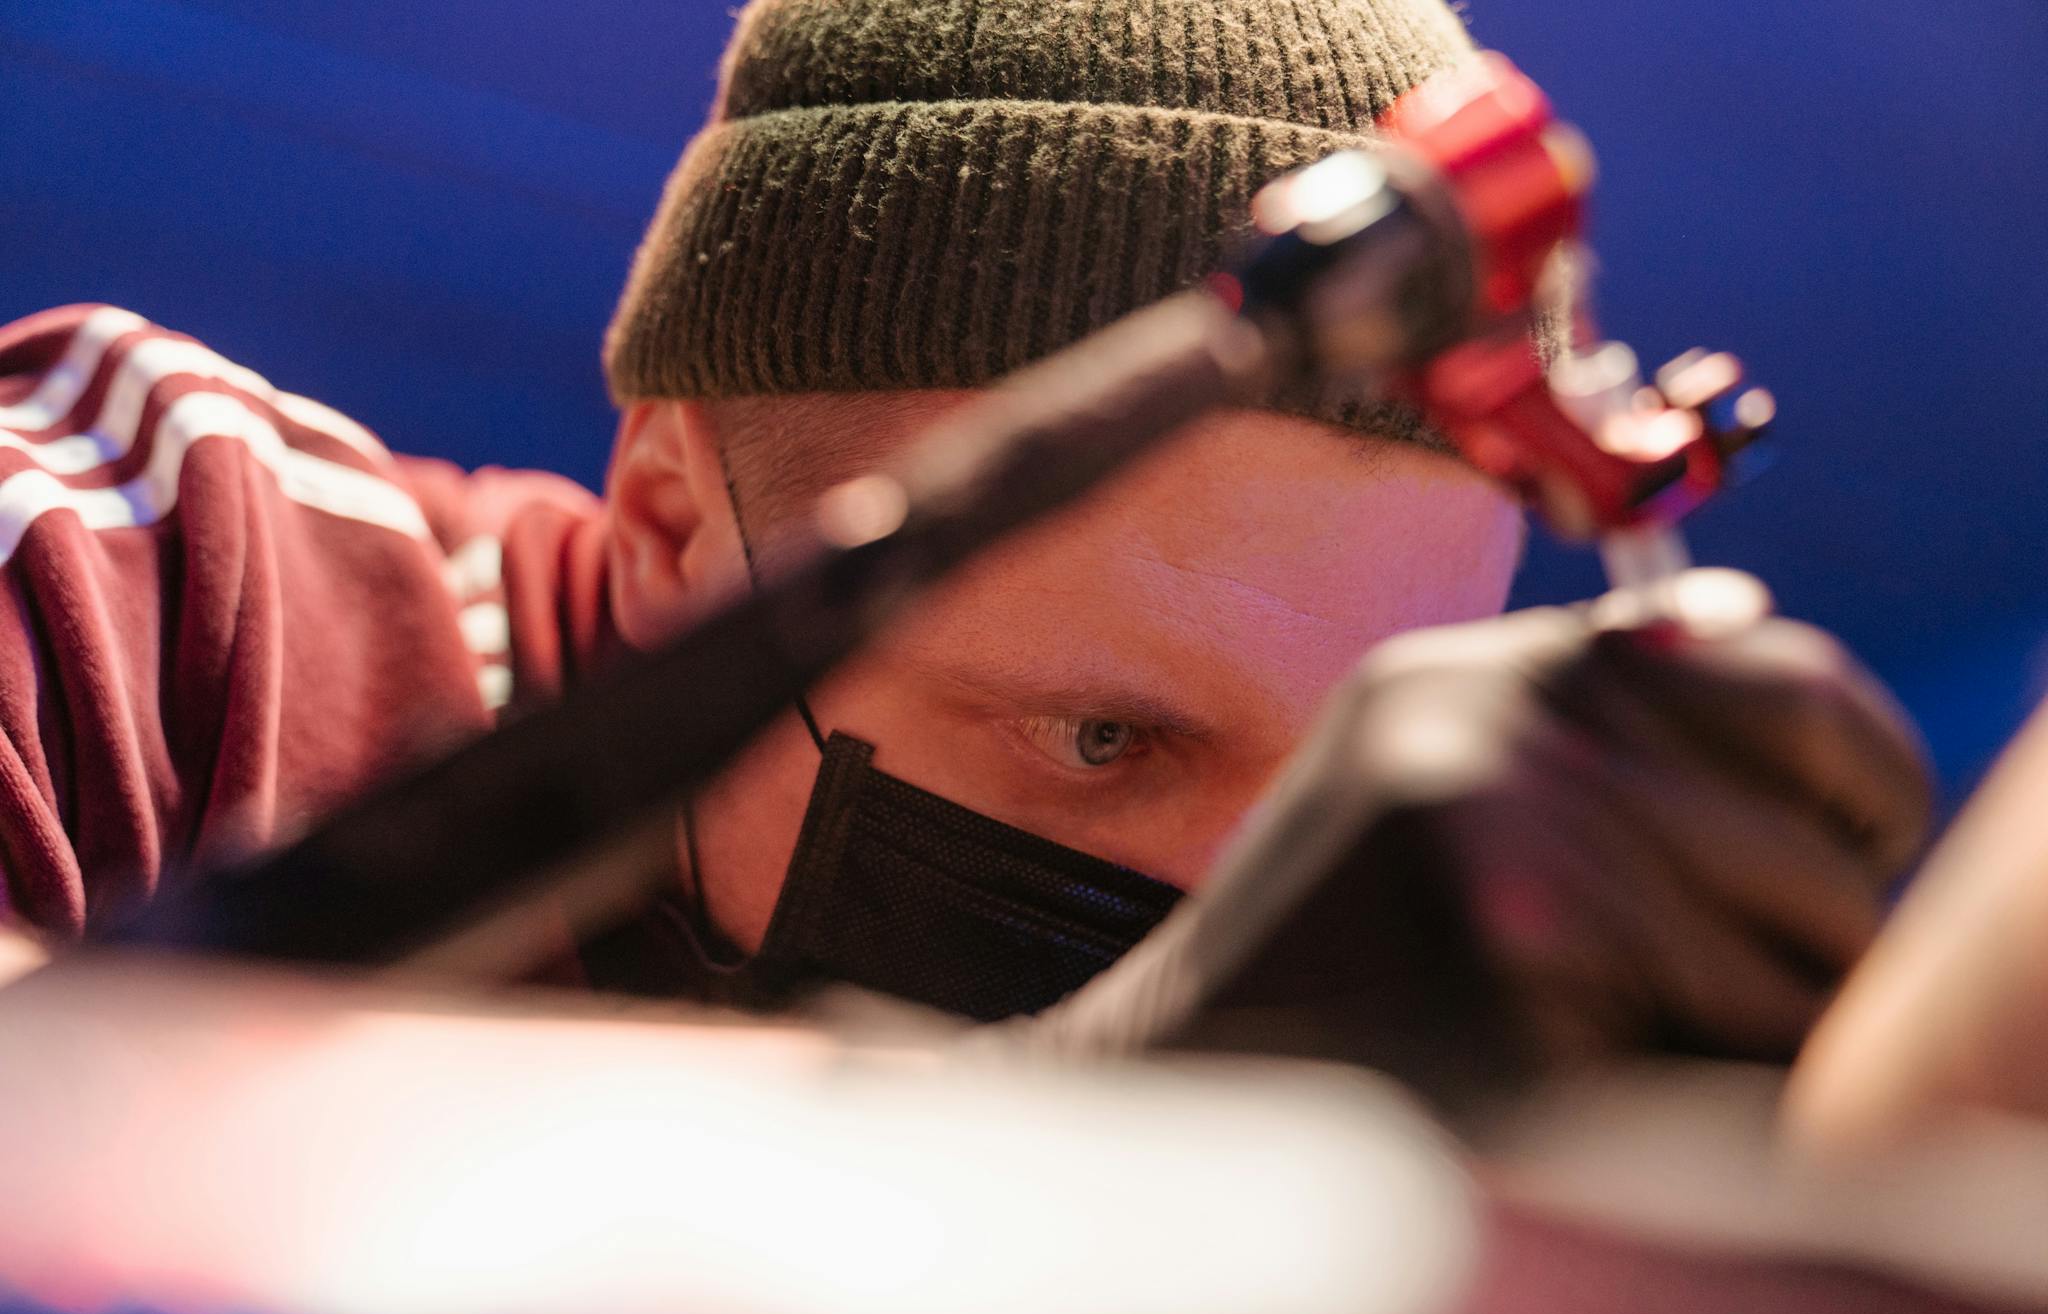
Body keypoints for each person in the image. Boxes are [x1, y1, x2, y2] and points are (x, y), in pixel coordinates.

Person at [0, 0, 1929, 1071]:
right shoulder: (140, 583)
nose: (1245, 899)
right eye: (1104, 739)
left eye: (1338, 785)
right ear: (675, 524)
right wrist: (1069, 1122)